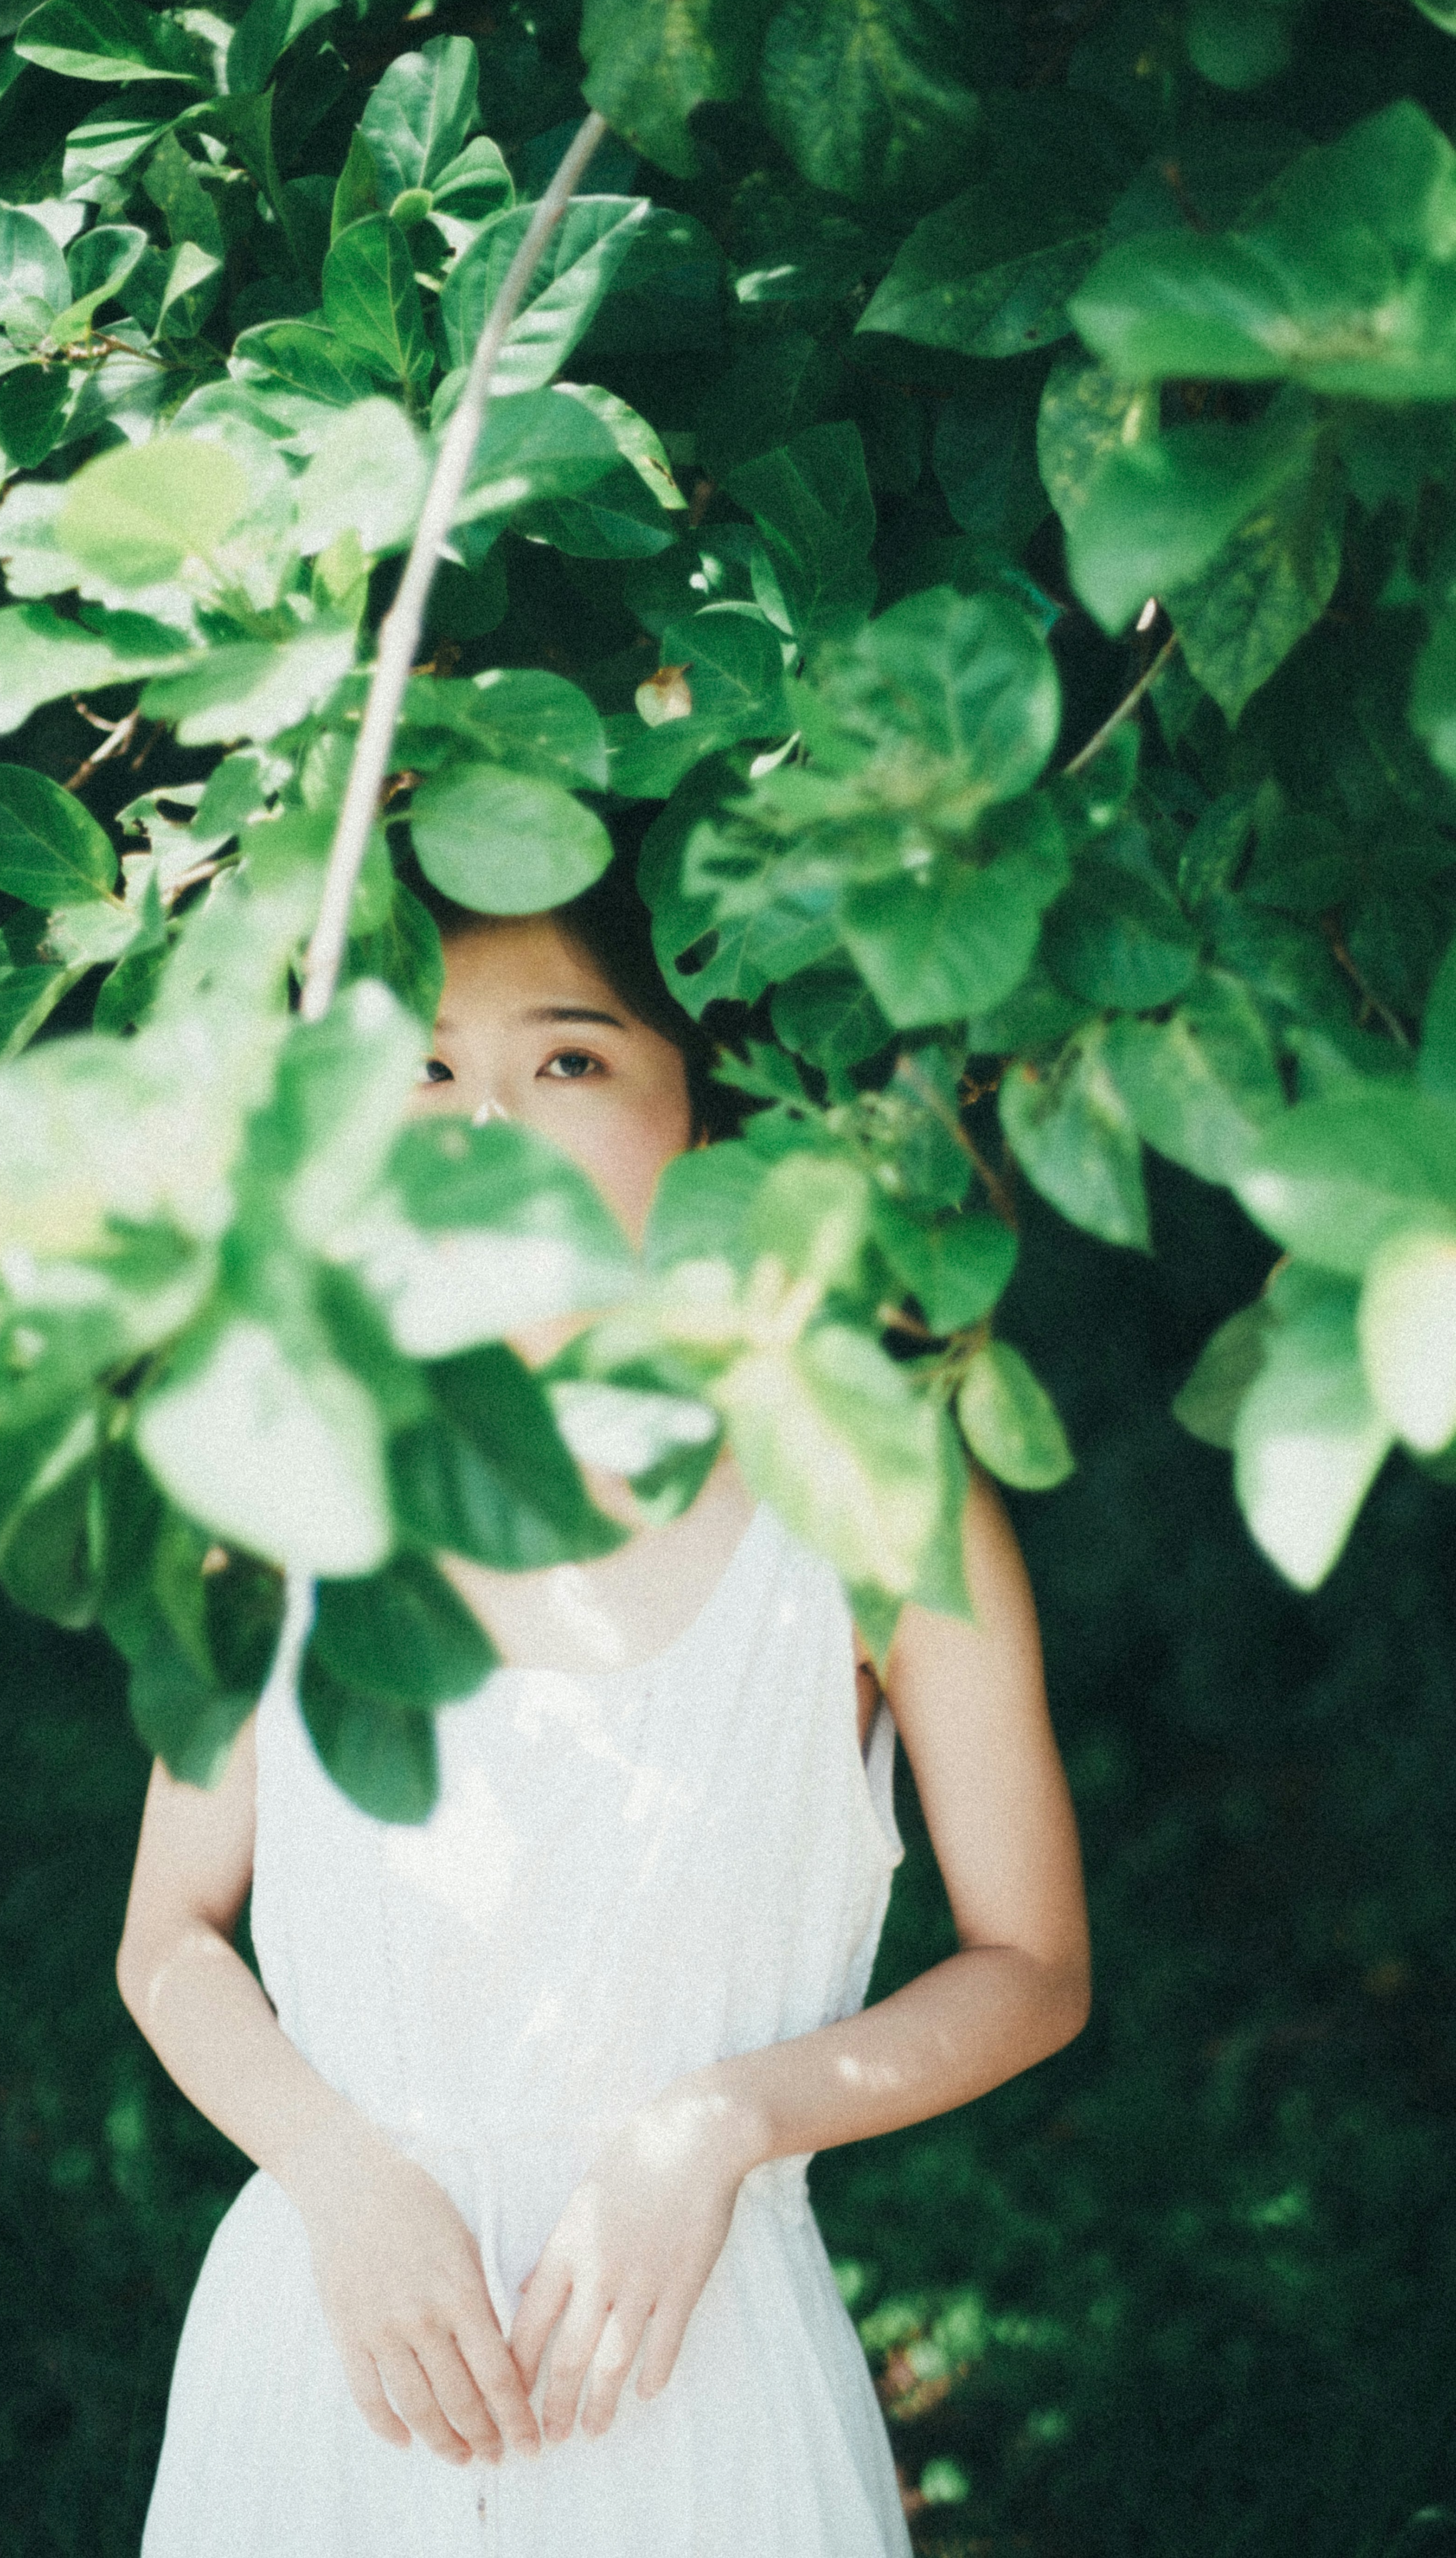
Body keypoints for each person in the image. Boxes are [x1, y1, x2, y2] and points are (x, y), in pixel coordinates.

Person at [116, 851, 1092, 2558]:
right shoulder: (281, 1467)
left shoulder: (866, 1491)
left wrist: (722, 2125)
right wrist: (340, 2177)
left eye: (567, 1058)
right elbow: (169, 1935)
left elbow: (1036, 1964)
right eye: (426, 1066)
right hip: (337, 2358)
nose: (484, 1128)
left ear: (706, 1119)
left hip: (695, 2385)